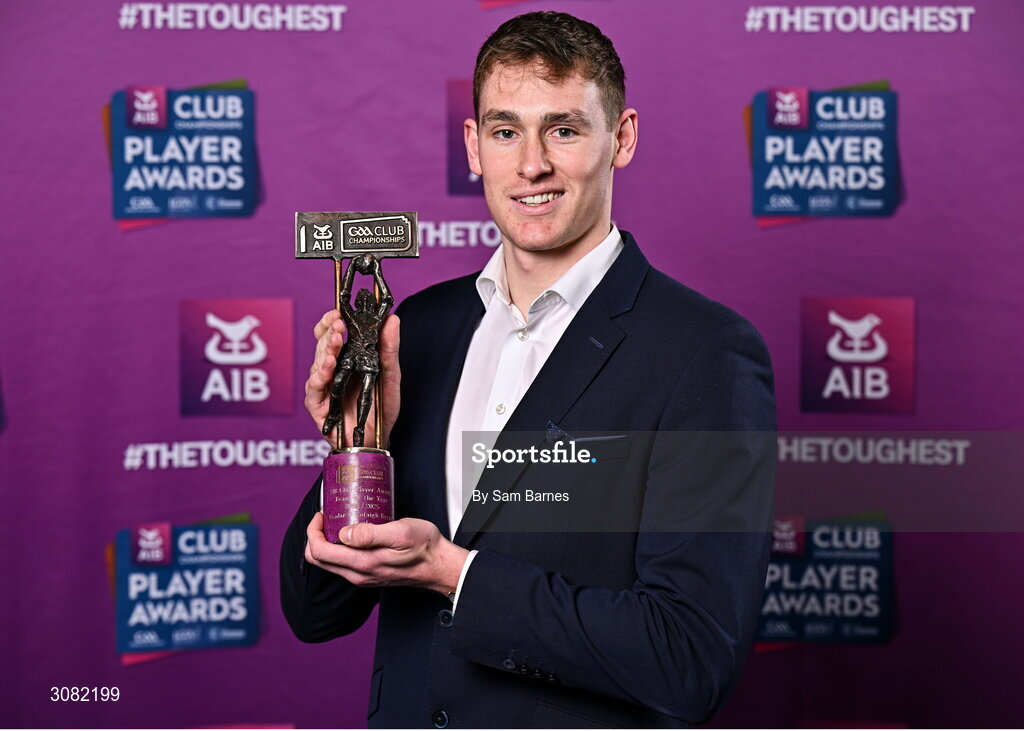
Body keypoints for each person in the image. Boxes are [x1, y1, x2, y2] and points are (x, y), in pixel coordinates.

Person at [281, 11, 775, 728]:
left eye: (565, 129)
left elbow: (688, 656)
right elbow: (314, 611)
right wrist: (358, 444)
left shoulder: (704, 353)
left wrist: (453, 572)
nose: (532, 164)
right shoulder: (416, 329)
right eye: (507, 130)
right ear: (474, 146)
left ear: (623, 138)